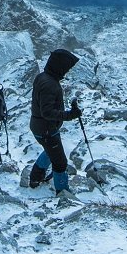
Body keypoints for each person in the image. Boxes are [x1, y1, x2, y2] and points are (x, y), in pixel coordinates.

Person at [28, 48, 81, 195]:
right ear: (60, 66)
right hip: (46, 130)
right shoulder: (50, 84)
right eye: (66, 68)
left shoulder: (43, 77)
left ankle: (35, 178)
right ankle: (63, 192)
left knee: (50, 151)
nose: (67, 71)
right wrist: (70, 115)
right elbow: (47, 112)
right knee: (60, 162)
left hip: (40, 127)